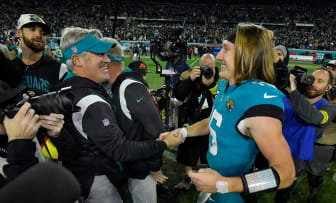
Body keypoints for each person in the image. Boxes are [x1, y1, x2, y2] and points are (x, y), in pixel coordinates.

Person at [167, 24, 295, 202]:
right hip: (215, 183)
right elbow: (217, 120)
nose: (219, 56)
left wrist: (224, 184)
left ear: (247, 54)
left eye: (226, 49)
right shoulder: (226, 84)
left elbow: (286, 173)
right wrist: (183, 132)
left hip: (233, 192)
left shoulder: (259, 101)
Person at [56, 27, 181, 202]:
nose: (107, 59)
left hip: (80, 175)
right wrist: (164, 144)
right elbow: (120, 150)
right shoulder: (91, 100)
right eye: (100, 54)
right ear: (77, 60)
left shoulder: (63, 87)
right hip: (99, 180)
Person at [0, 72, 64, 201]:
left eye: (10, 101)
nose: (10, 109)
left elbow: (67, 159)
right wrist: (20, 145)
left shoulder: (16, 129)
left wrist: (57, 137)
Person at [105, 37, 168, 203]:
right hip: (129, 164)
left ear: (107, 62)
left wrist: (154, 166)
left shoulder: (130, 86)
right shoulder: (118, 85)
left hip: (142, 169)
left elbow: (157, 131)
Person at [275, 67, 336, 203]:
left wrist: (294, 91)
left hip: (301, 155)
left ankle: (312, 196)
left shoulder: (330, 108)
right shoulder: (290, 97)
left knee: (307, 180)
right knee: (277, 186)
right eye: (312, 79)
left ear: (328, 86)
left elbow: (314, 117)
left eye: (320, 81)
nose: (314, 84)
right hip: (278, 150)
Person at [173, 53, 218, 190]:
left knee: (212, 153)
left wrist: (211, 85)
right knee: (189, 153)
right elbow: (179, 94)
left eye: (211, 67)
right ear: (199, 66)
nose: (208, 70)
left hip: (212, 124)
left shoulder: (221, 80)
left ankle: (210, 178)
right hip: (192, 121)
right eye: (205, 67)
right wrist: (191, 79)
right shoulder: (190, 76)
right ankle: (188, 178)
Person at [0, 14, 68, 96]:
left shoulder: (60, 69)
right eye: (32, 29)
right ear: (19, 32)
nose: (38, 35)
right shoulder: (10, 68)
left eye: (43, 33)